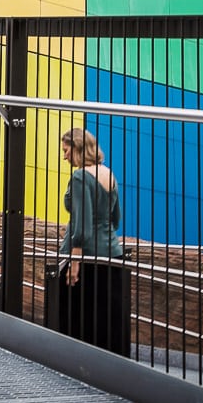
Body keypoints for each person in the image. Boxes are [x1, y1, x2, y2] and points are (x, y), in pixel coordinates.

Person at [57, 127, 130, 356]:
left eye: (66, 151)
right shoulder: (109, 174)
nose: (65, 156)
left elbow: (82, 225)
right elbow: (116, 219)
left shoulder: (80, 177)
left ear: (78, 149)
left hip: (85, 257)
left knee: (76, 316)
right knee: (108, 317)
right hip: (112, 254)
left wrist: (74, 263)